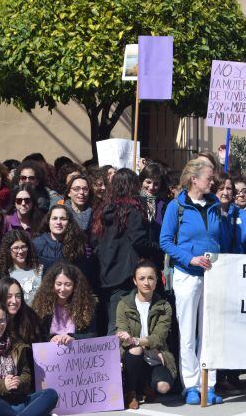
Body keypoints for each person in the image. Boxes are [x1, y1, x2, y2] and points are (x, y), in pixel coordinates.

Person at [159, 158, 234, 405]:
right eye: (209, 178)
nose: (213, 182)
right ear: (194, 179)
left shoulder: (215, 206)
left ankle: (208, 384)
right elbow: (166, 241)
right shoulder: (175, 206)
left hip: (212, 277)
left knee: (209, 334)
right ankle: (191, 385)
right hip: (186, 275)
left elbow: (220, 239)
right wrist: (190, 259)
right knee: (188, 334)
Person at [0, 300, 59, 416]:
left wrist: (18, 382)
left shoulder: (15, 342)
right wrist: (3, 386)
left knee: (51, 394)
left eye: (2, 321)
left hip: (18, 400)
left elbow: (26, 375)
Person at [92, 168, 153, 335]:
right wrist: (158, 249)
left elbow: (94, 242)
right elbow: (138, 240)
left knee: (110, 320)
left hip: (103, 273)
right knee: (120, 324)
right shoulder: (132, 210)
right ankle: (115, 360)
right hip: (124, 274)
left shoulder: (101, 211)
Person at [115, 260, 177, 410]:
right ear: (135, 281)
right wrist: (129, 339)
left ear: (157, 280)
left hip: (156, 358)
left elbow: (158, 337)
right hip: (133, 357)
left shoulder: (164, 306)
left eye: (151, 278)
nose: (146, 282)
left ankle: (146, 384)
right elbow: (122, 332)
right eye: (142, 278)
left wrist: (136, 340)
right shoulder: (123, 304)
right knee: (136, 349)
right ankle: (131, 392)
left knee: (163, 387)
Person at [31, 262, 96, 343]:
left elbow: (92, 335)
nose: (63, 289)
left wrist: (74, 338)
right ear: (52, 284)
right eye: (58, 284)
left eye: (68, 284)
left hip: (76, 352)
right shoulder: (41, 306)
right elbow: (36, 335)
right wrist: (50, 339)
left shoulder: (85, 306)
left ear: (75, 286)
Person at [33, 205, 89, 276]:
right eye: (54, 218)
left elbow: (81, 274)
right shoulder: (37, 243)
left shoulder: (77, 245)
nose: (58, 222)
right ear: (48, 221)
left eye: (63, 219)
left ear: (69, 222)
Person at [0, 278, 43, 346]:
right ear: (0, 297)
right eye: (9, 296)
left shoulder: (30, 317)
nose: (14, 301)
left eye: (18, 296)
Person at [0, 230, 43, 304]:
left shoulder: (40, 269)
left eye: (23, 247)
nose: (20, 251)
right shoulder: (3, 274)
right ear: (8, 250)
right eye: (16, 248)